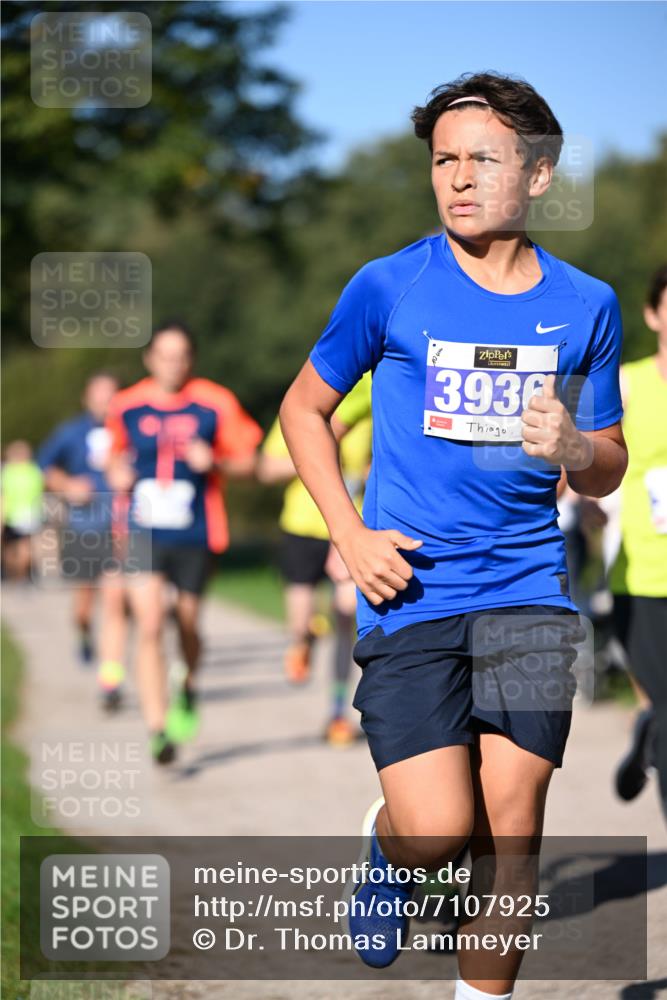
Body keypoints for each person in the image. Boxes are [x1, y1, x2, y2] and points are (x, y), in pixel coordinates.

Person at [279, 72, 627, 999]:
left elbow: (608, 463)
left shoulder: (586, 304)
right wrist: (349, 534)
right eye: (443, 160)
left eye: (482, 159)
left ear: (539, 173)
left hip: (528, 593)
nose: (459, 178)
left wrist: (575, 446)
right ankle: (387, 847)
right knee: (436, 832)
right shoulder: (389, 285)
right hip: (411, 587)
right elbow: (303, 409)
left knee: (510, 837)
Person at [106, 322, 262, 765]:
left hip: (196, 531)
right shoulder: (126, 405)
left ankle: (188, 683)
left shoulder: (215, 402)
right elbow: (112, 456)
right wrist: (116, 472)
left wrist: (214, 461)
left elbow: (249, 460)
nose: (173, 365)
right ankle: (158, 728)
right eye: (164, 356)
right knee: (150, 623)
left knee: (188, 624)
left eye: (181, 357)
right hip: (142, 529)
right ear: (149, 359)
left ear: (191, 360)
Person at [258, 373, 372, 745]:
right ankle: (304, 639)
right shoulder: (301, 404)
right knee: (300, 621)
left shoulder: (366, 411)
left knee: (346, 613)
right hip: (302, 526)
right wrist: (312, 455)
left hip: (349, 526)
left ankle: (337, 712)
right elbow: (267, 467)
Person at [607, 265, 667, 819]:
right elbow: (585, 458)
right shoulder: (625, 383)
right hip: (645, 578)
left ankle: (649, 729)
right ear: (653, 315)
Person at [38, 373, 128, 709]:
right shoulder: (71, 432)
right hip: (84, 528)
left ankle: (110, 681)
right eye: (100, 396)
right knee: (85, 604)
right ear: (86, 399)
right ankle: (83, 630)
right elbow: (43, 467)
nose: (106, 402)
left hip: (121, 527)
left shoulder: (132, 427)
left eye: (112, 395)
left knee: (115, 601)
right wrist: (68, 486)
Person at [1, 440, 43, 581]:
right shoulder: (35, 471)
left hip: (12, 515)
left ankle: (16, 574)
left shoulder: (8, 472)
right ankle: (25, 574)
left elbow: (4, 496)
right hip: (31, 515)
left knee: (12, 547)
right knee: (26, 545)